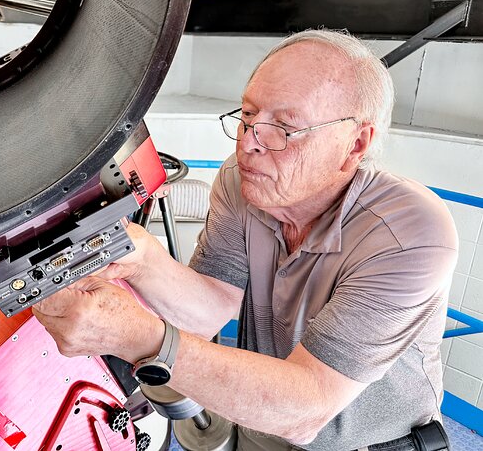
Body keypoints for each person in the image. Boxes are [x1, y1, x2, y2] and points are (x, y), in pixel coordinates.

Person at [32, 29, 458, 451]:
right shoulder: (242, 185)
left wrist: (141, 337)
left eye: (283, 129)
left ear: (355, 144)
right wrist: (141, 257)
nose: (249, 143)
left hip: (367, 443)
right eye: (249, 115)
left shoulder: (409, 232)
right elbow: (211, 306)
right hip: (262, 420)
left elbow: (307, 406)